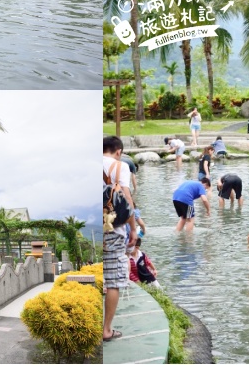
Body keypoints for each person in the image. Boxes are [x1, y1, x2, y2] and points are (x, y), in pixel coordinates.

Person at [102, 136, 137, 342]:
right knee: (113, 280)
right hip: (112, 226)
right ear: (118, 151)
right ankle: (106, 329)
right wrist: (133, 228)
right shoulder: (119, 166)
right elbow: (126, 198)